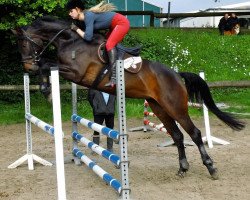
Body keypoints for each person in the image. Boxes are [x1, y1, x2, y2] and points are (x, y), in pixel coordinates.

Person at [66, 0, 130, 87]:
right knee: (104, 44)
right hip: (114, 25)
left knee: (109, 45)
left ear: (78, 9)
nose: (69, 14)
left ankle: (114, 77)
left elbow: (88, 38)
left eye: (71, 11)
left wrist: (76, 29)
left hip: (121, 23)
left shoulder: (88, 16)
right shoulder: (85, 19)